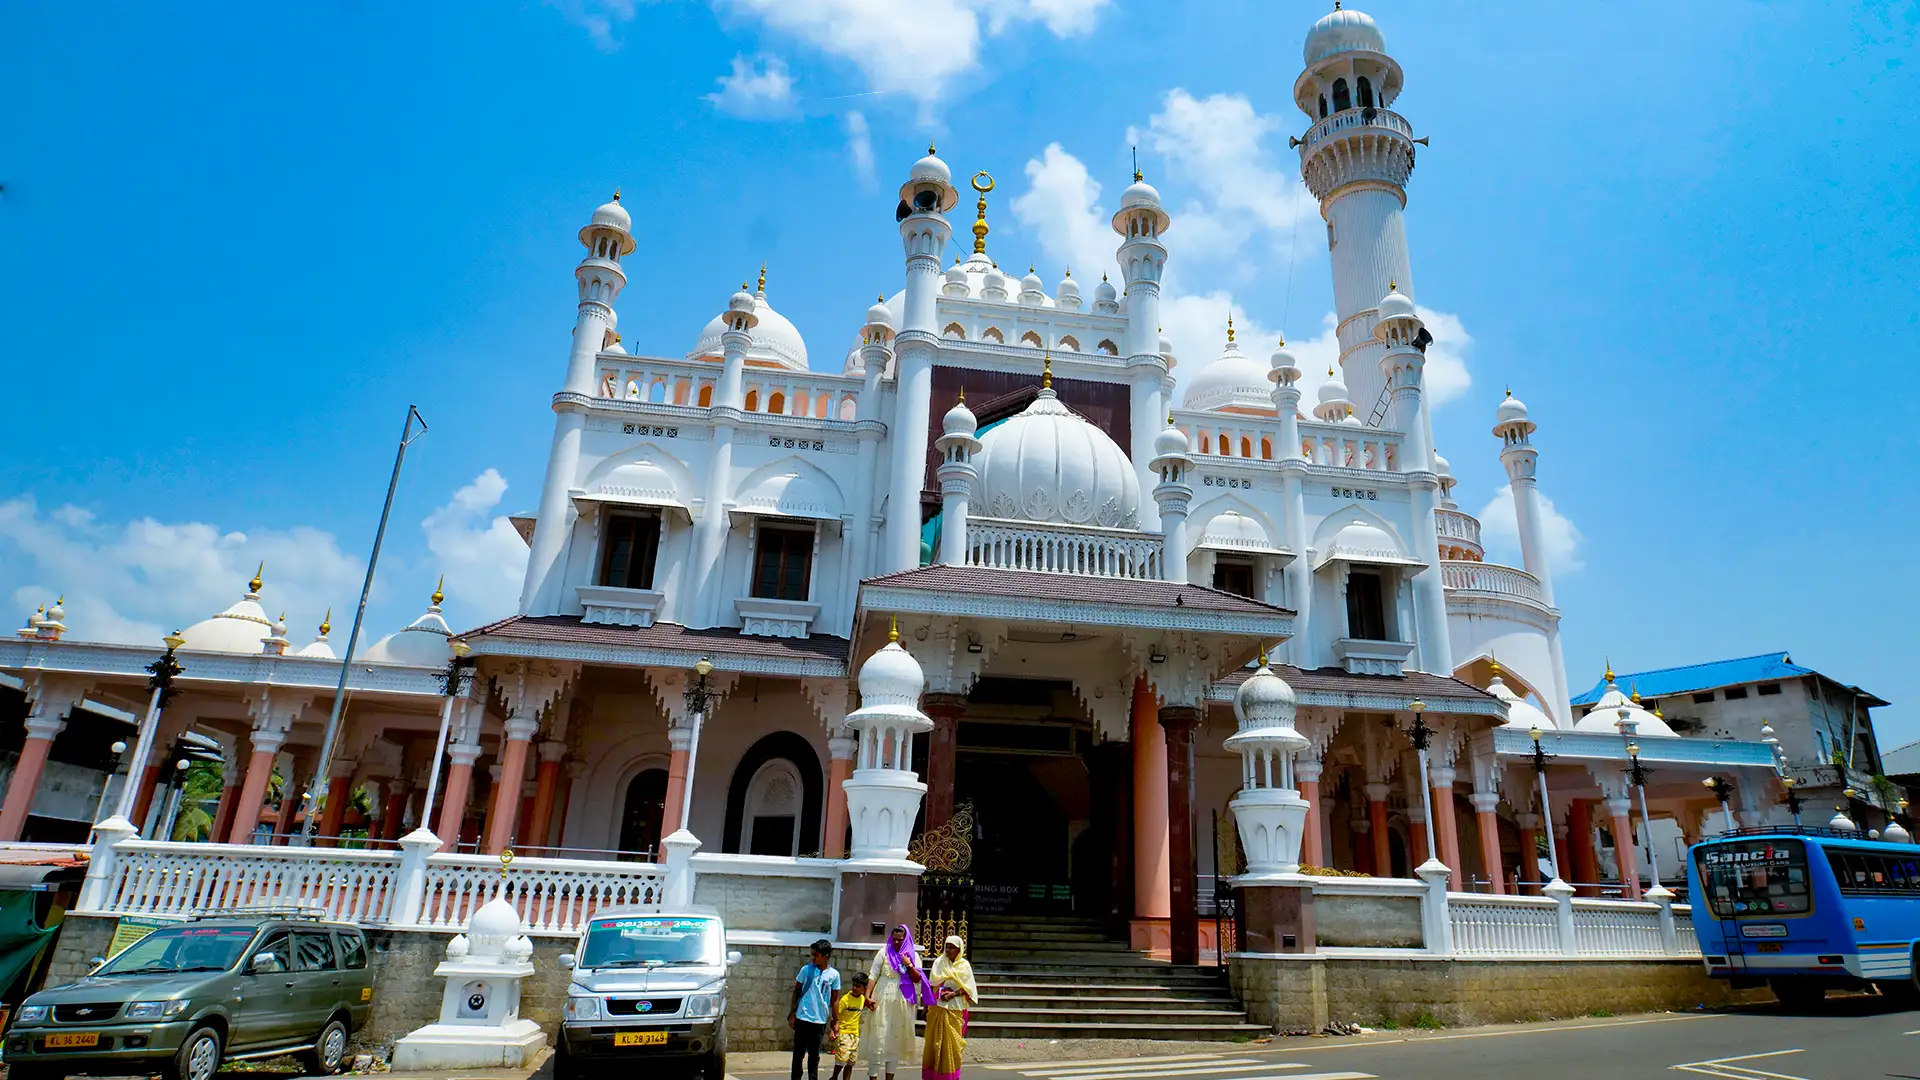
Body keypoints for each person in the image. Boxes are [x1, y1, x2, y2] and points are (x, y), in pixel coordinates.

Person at [864, 923, 928, 1080]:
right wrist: (867, 996)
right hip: (882, 999)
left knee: (894, 1040)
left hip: (902, 1001)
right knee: (878, 1038)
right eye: (895, 939)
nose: (897, 942)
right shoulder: (883, 952)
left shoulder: (913, 955)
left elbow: (917, 979)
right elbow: (873, 975)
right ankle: (872, 1077)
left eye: (900, 939)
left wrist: (909, 964)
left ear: (906, 939)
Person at [921, 935, 977, 1080]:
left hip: (956, 1009)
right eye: (947, 947)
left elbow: (969, 989)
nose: (948, 950)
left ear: (959, 950)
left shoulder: (964, 966)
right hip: (938, 1007)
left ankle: (950, 1076)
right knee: (934, 1044)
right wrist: (927, 1006)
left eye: (952, 948)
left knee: (952, 1047)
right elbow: (933, 985)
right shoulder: (939, 962)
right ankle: (933, 1076)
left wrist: (953, 993)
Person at [789, 939, 842, 1080]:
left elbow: (834, 999)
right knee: (798, 1053)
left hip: (819, 1020)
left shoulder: (834, 975)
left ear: (825, 957)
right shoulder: (806, 970)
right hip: (802, 1017)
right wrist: (792, 1014)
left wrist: (836, 1021)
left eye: (816, 955)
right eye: (812, 955)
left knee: (814, 1055)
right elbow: (796, 991)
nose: (813, 958)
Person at [829, 971, 870, 1080]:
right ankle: (834, 1077)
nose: (855, 988)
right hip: (843, 1034)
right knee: (841, 1060)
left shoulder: (862, 1000)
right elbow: (835, 1016)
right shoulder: (845, 1000)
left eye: (858, 986)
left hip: (855, 1035)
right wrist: (832, 1031)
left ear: (864, 988)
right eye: (854, 985)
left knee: (851, 1062)